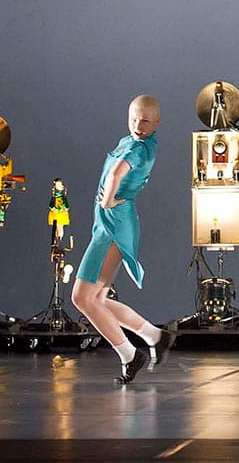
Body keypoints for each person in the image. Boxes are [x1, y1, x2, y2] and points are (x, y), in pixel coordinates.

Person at [71, 94, 175, 384]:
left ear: (157, 122)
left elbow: (116, 173)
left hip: (113, 223)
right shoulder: (137, 142)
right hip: (118, 223)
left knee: (82, 297)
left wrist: (105, 201)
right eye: (133, 119)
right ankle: (154, 335)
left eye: (144, 121)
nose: (138, 125)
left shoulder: (138, 149)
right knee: (98, 298)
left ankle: (130, 355)